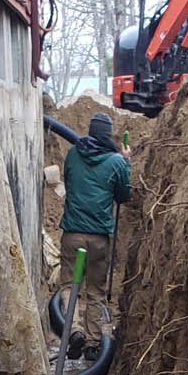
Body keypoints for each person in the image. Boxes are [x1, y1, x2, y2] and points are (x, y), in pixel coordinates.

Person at [59, 114, 130, 359]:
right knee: (96, 291)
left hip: (72, 235)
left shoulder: (72, 155)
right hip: (99, 238)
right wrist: (126, 162)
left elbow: (69, 182)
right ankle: (92, 343)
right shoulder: (116, 162)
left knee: (70, 286)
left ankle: (74, 331)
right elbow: (123, 196)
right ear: (108, 135)